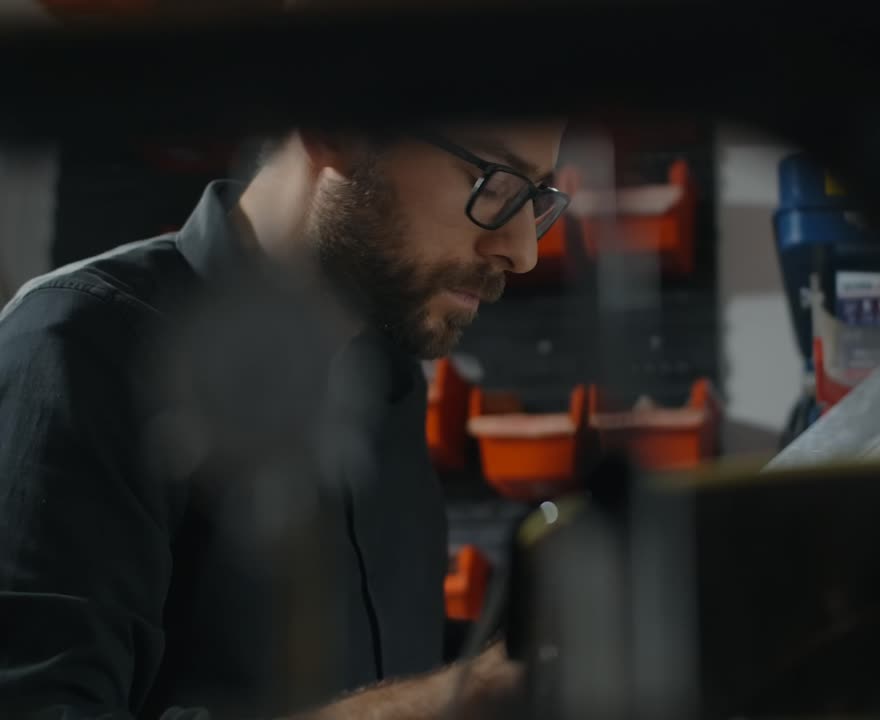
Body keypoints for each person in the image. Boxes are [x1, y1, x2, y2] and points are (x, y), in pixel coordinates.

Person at [0, 120, 570, 718]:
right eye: (493, 183)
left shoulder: (389, 389)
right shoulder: (77, 346)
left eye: (536, 198)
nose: (523, 251)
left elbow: (373, 679)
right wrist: (468, 694)